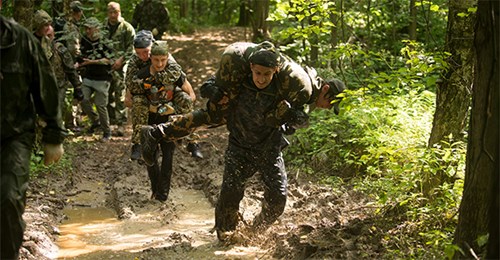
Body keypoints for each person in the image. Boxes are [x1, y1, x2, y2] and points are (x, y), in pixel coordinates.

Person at [140, 41, 345, 241]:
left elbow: (291, 121)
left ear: (275, 71)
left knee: (277, 199)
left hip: (268, 148)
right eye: (258, 73)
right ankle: (225, 238)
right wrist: (213, 90)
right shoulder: (240, 80)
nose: (262, 79)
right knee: (230, 195)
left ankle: (254, 233)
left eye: (267, 74)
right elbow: (212, 89)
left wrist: (290, 117)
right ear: (251, 68)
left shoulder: (292, 91)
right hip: (239, 145)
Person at [1, 15, 66, 259]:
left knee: (9, 199)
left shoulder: (20, 40)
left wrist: (53, 137)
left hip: (13, 136)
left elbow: (45, 87)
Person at [126, 30, 203, 160]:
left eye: (146, 52)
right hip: (146, 99)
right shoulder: (135, 62)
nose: (143, 56)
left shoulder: (167, 60)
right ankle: (137, 144)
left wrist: (175, 110)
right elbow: (128, 98)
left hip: (167, 99)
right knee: (138, 100)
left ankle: (192, 142)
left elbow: (191, 94)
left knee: (185, 99)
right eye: (139, 53)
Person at [136, 41, 194, 201]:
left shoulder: (175, 74)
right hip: (148, 121)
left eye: (163, 60)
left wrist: (172, 106)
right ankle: (155, 190)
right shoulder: (141, 75)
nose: (160, 64)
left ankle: (162, 195)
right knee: (150, 158)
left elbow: (191, 96)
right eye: (156, 60)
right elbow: (129, 100)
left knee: (168, 156)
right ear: (150, 58)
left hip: (168, 122)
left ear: (168, 58)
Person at [32, 10, 84, 129]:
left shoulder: (59, 49)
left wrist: (77, 87)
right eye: (45, 26)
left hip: (57, 86)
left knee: (55, 115)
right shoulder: (31, 43)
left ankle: (55, 136)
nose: (48, 30)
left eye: (50, 33)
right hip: (37, 86)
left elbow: (70, 69)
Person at [77, 17, 113, 141]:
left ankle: (107, 132)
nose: (87, 31)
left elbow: (109, 60)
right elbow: (81, 56)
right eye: (86, 28)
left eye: (89, 28)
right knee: (83, 98)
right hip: (88, 77)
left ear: (96, 29)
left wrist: (92, 62)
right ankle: (95, 121)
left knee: (100, 105)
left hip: (102, 78)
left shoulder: (106, 42)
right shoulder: (85, 40)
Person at [105, 2, 136, 136]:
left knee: (120, 94)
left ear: (120, 12)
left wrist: (121, 60)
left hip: (121, 66)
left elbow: (132, 47)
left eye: (115, 12)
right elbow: (99, 45)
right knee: (107, 94)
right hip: (105, 65)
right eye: (111, 12)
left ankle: (121, 124)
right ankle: (110, 121)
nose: (113, 15)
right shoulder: (103, 27)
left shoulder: (127, 28)